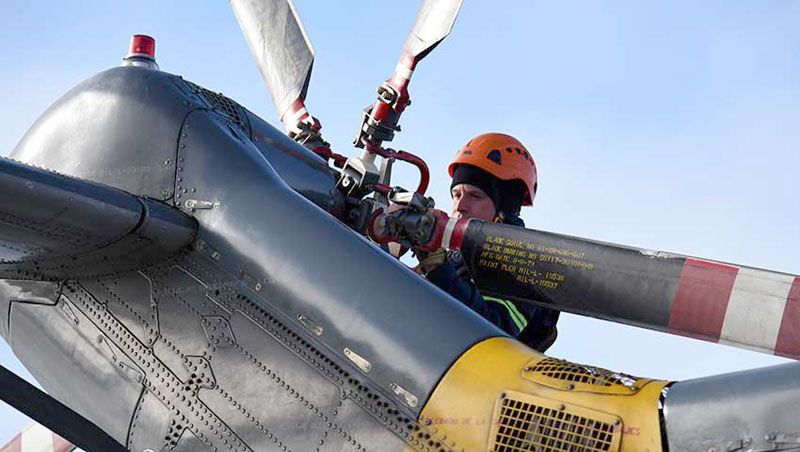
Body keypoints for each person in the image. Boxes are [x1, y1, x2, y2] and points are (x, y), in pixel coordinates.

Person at [413, 132, 559, 352]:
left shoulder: (528, 265)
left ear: (504, 208)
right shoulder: (450, 256)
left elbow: (493, 333)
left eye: (475, 196)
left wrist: (437, 268)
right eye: (456, 194)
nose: (460, 205)